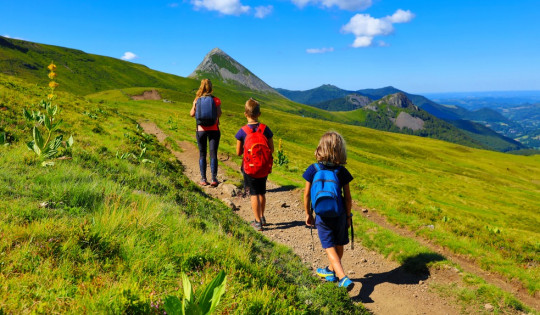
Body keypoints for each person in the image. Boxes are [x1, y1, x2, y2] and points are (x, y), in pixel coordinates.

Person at [303, 131, 354, 291]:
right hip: (339, 215)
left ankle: (342, 277)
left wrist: (308, 214)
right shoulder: (342, 172)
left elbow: (306, 194)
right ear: (340, 151)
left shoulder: (313, 169)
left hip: (322, 216)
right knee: (338, 244)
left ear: (320, 148)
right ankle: (331, 272)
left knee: (329, 247)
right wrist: (348, 215)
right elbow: (348, 198)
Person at [235, 98, 274, 231]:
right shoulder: (265, 129)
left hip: (249, 168)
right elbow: (271, 149)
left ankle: (257, 222)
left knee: (253, 193)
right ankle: (262, 217)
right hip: (263, 166)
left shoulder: (242, 131)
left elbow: (238, 152)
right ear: (259, 114)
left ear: (245, 114)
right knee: (262, 192)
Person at [190, 79, 222, 187]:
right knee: (213, 153)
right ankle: (214, 178)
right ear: (211, 87)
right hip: (214, 130)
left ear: (201, 87)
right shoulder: (216, 100)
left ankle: (203, 179)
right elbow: (219, 114)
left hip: (201, 130)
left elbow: (191, 114)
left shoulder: (197, 100)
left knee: (202, 153)